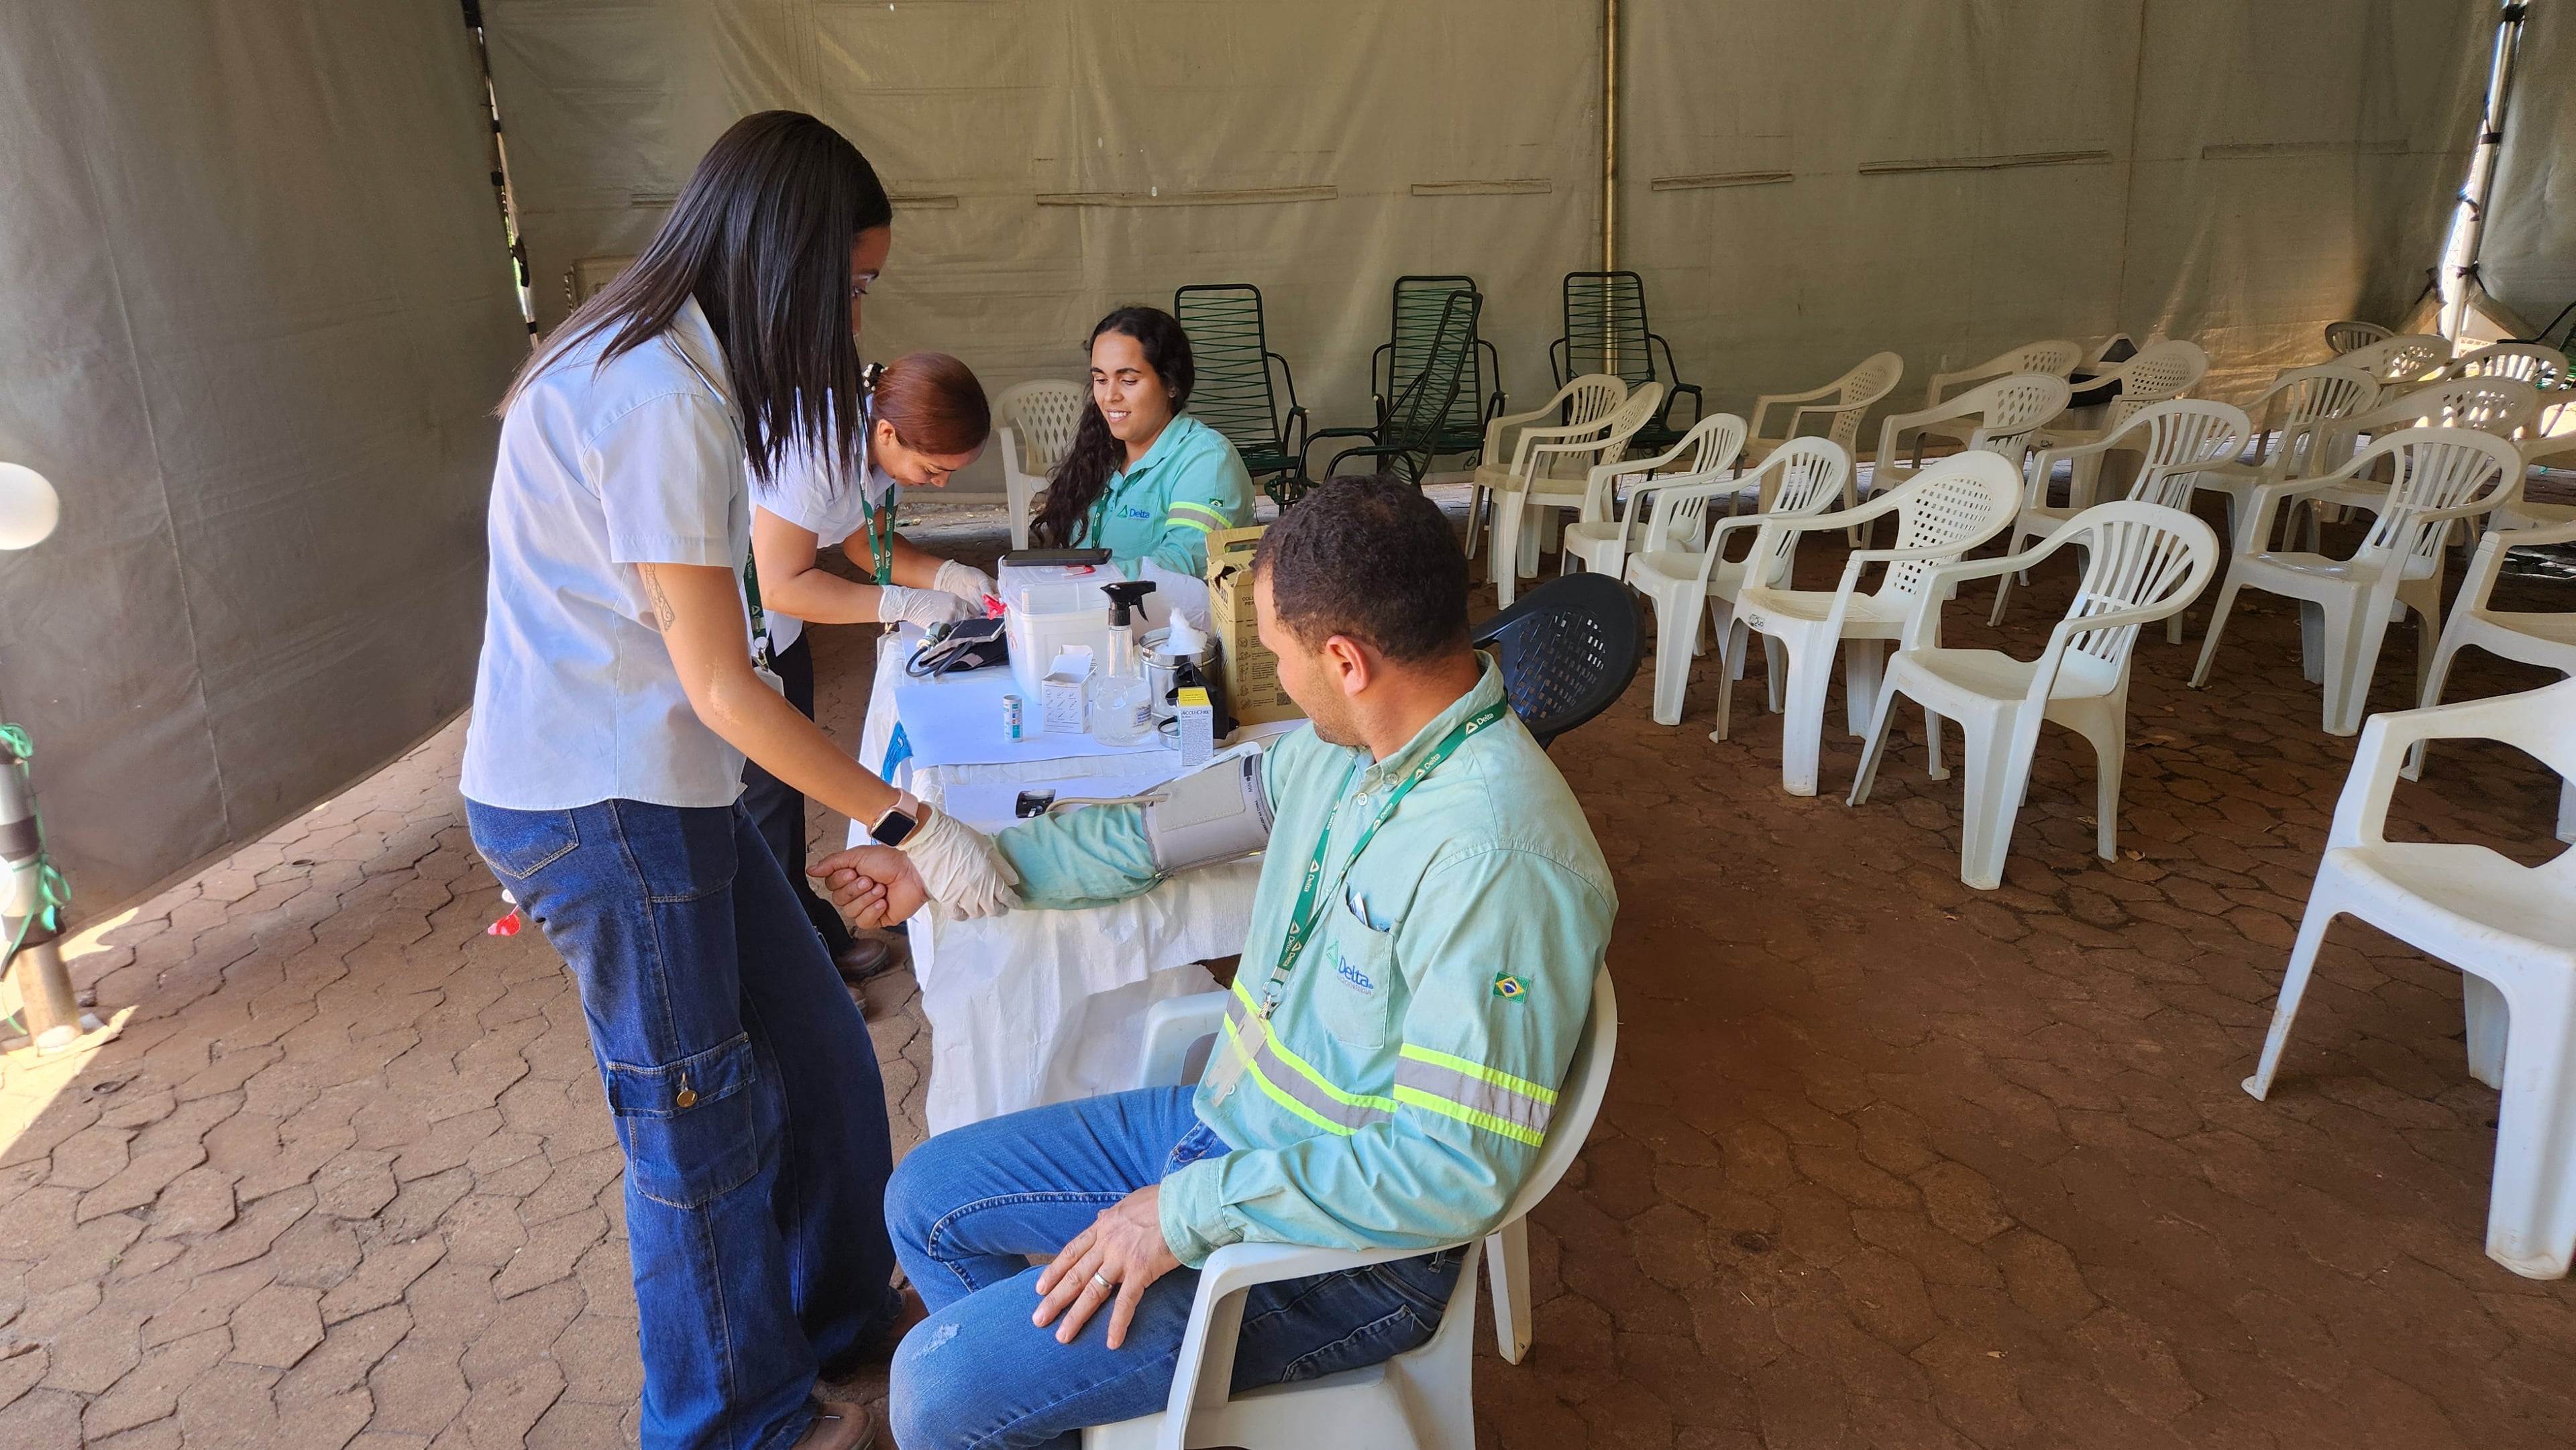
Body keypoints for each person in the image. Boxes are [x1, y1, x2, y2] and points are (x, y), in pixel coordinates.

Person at [817, 477, 1616, 1449]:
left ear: (1344, 659)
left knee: (935, 1389)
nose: (1267, 669)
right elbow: (1152, 837)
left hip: (1335, 1257)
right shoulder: (1344, 752)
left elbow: (1450, 1171)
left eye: (1276, 649)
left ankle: (1021, 1396)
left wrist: (1185, 1212)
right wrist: (944, 868)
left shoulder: (1499, 860)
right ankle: (1056, 1413)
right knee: (925, 1200)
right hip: (1231, 1131)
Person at [461, 111, 1014, 1450]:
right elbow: (723, 680)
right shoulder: (652, 392)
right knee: (696, 1128)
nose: (859, 315)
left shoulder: (676, 371)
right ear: (791, 259)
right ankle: (734, 1422)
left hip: (666, 787)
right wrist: (909, 818)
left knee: (821, 1050)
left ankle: (834, 1315)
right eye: (856, 283)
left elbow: (716, 679)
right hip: (602, 805)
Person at [741, 351, 998, 983]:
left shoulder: (874, 443)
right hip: (738, 631)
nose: (937, 485)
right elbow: (781, 583)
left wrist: (945, 574)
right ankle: (786, 981)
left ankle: (808, 943)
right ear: (887, 434)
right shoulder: (813, 451)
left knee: (783, 803)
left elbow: (866, 543)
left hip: (780, 638)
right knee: (761, 804)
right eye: (933, 470)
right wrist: (902, 601)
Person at [1026, 305, 1256, 576]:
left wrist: (1073, 579)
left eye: (1129, 381)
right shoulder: (1100, 453)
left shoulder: (1207, 459)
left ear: (1172, 384)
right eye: (1100, 379)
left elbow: (1186, 565)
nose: (1110, 395)